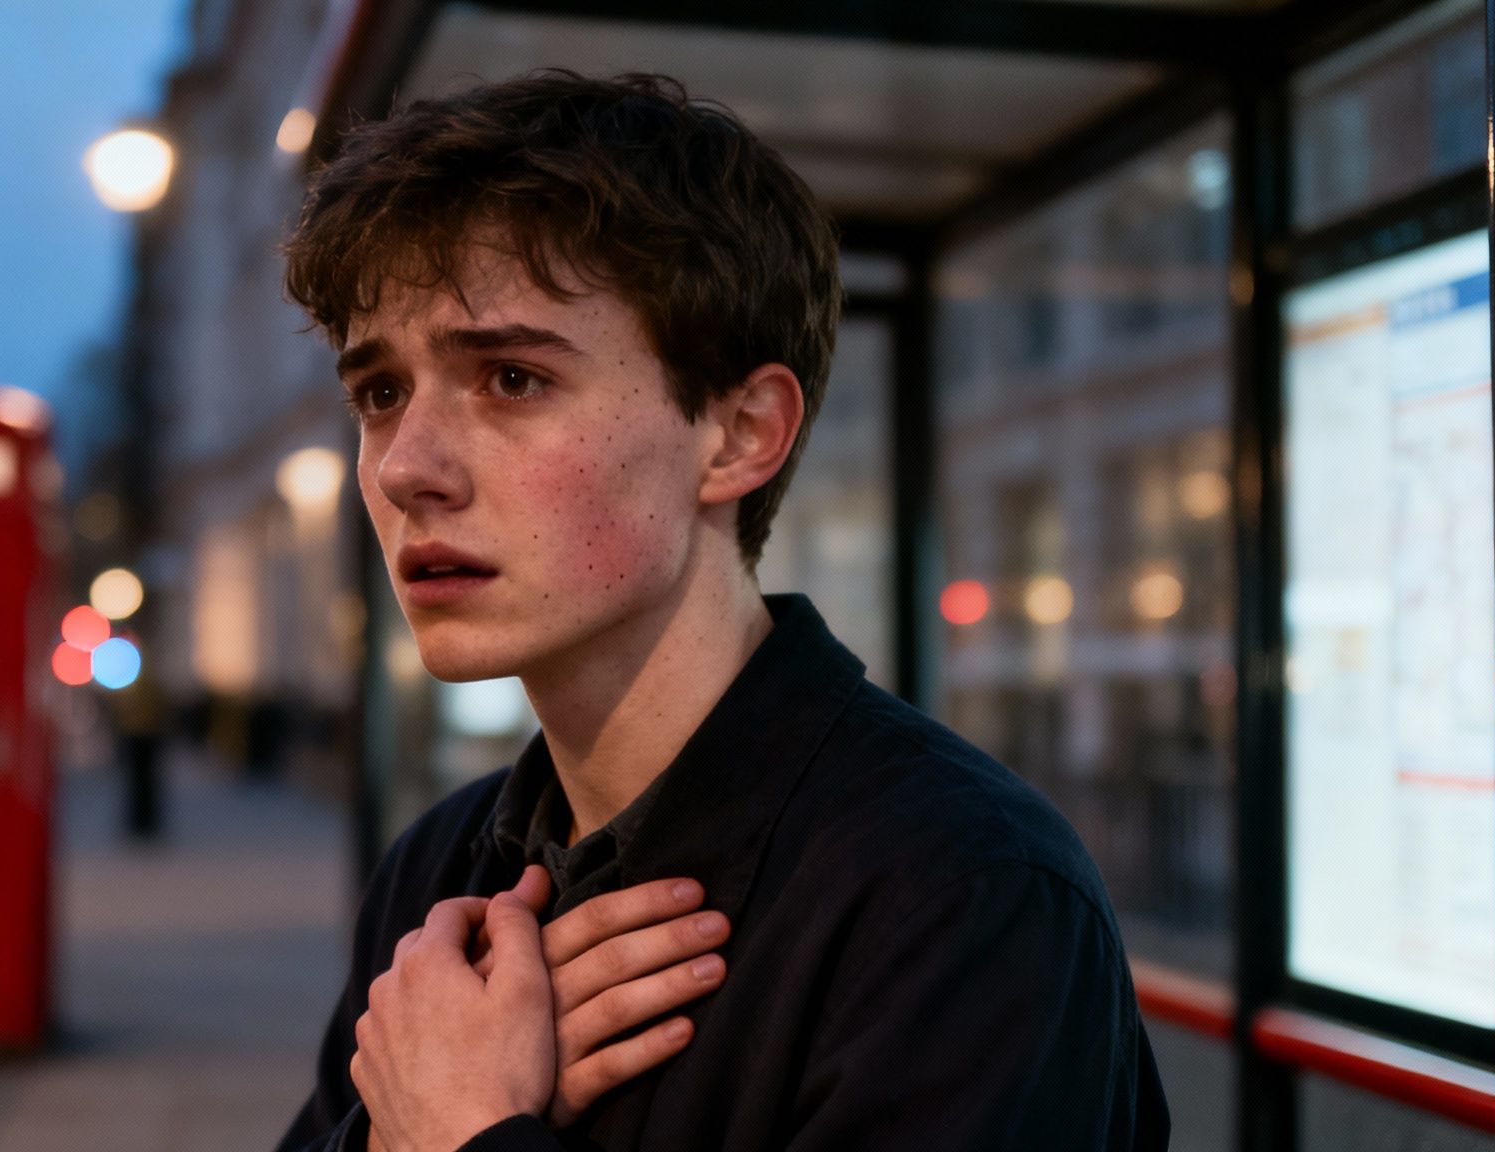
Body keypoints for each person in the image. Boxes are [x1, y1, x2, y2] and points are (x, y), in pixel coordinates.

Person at [275, 71, 1169, 1151]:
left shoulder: (960, 898)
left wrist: (463, 1132)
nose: (406, 466)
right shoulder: (438, 875)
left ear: (741, 434)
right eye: (379, 394)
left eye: (509, 378)